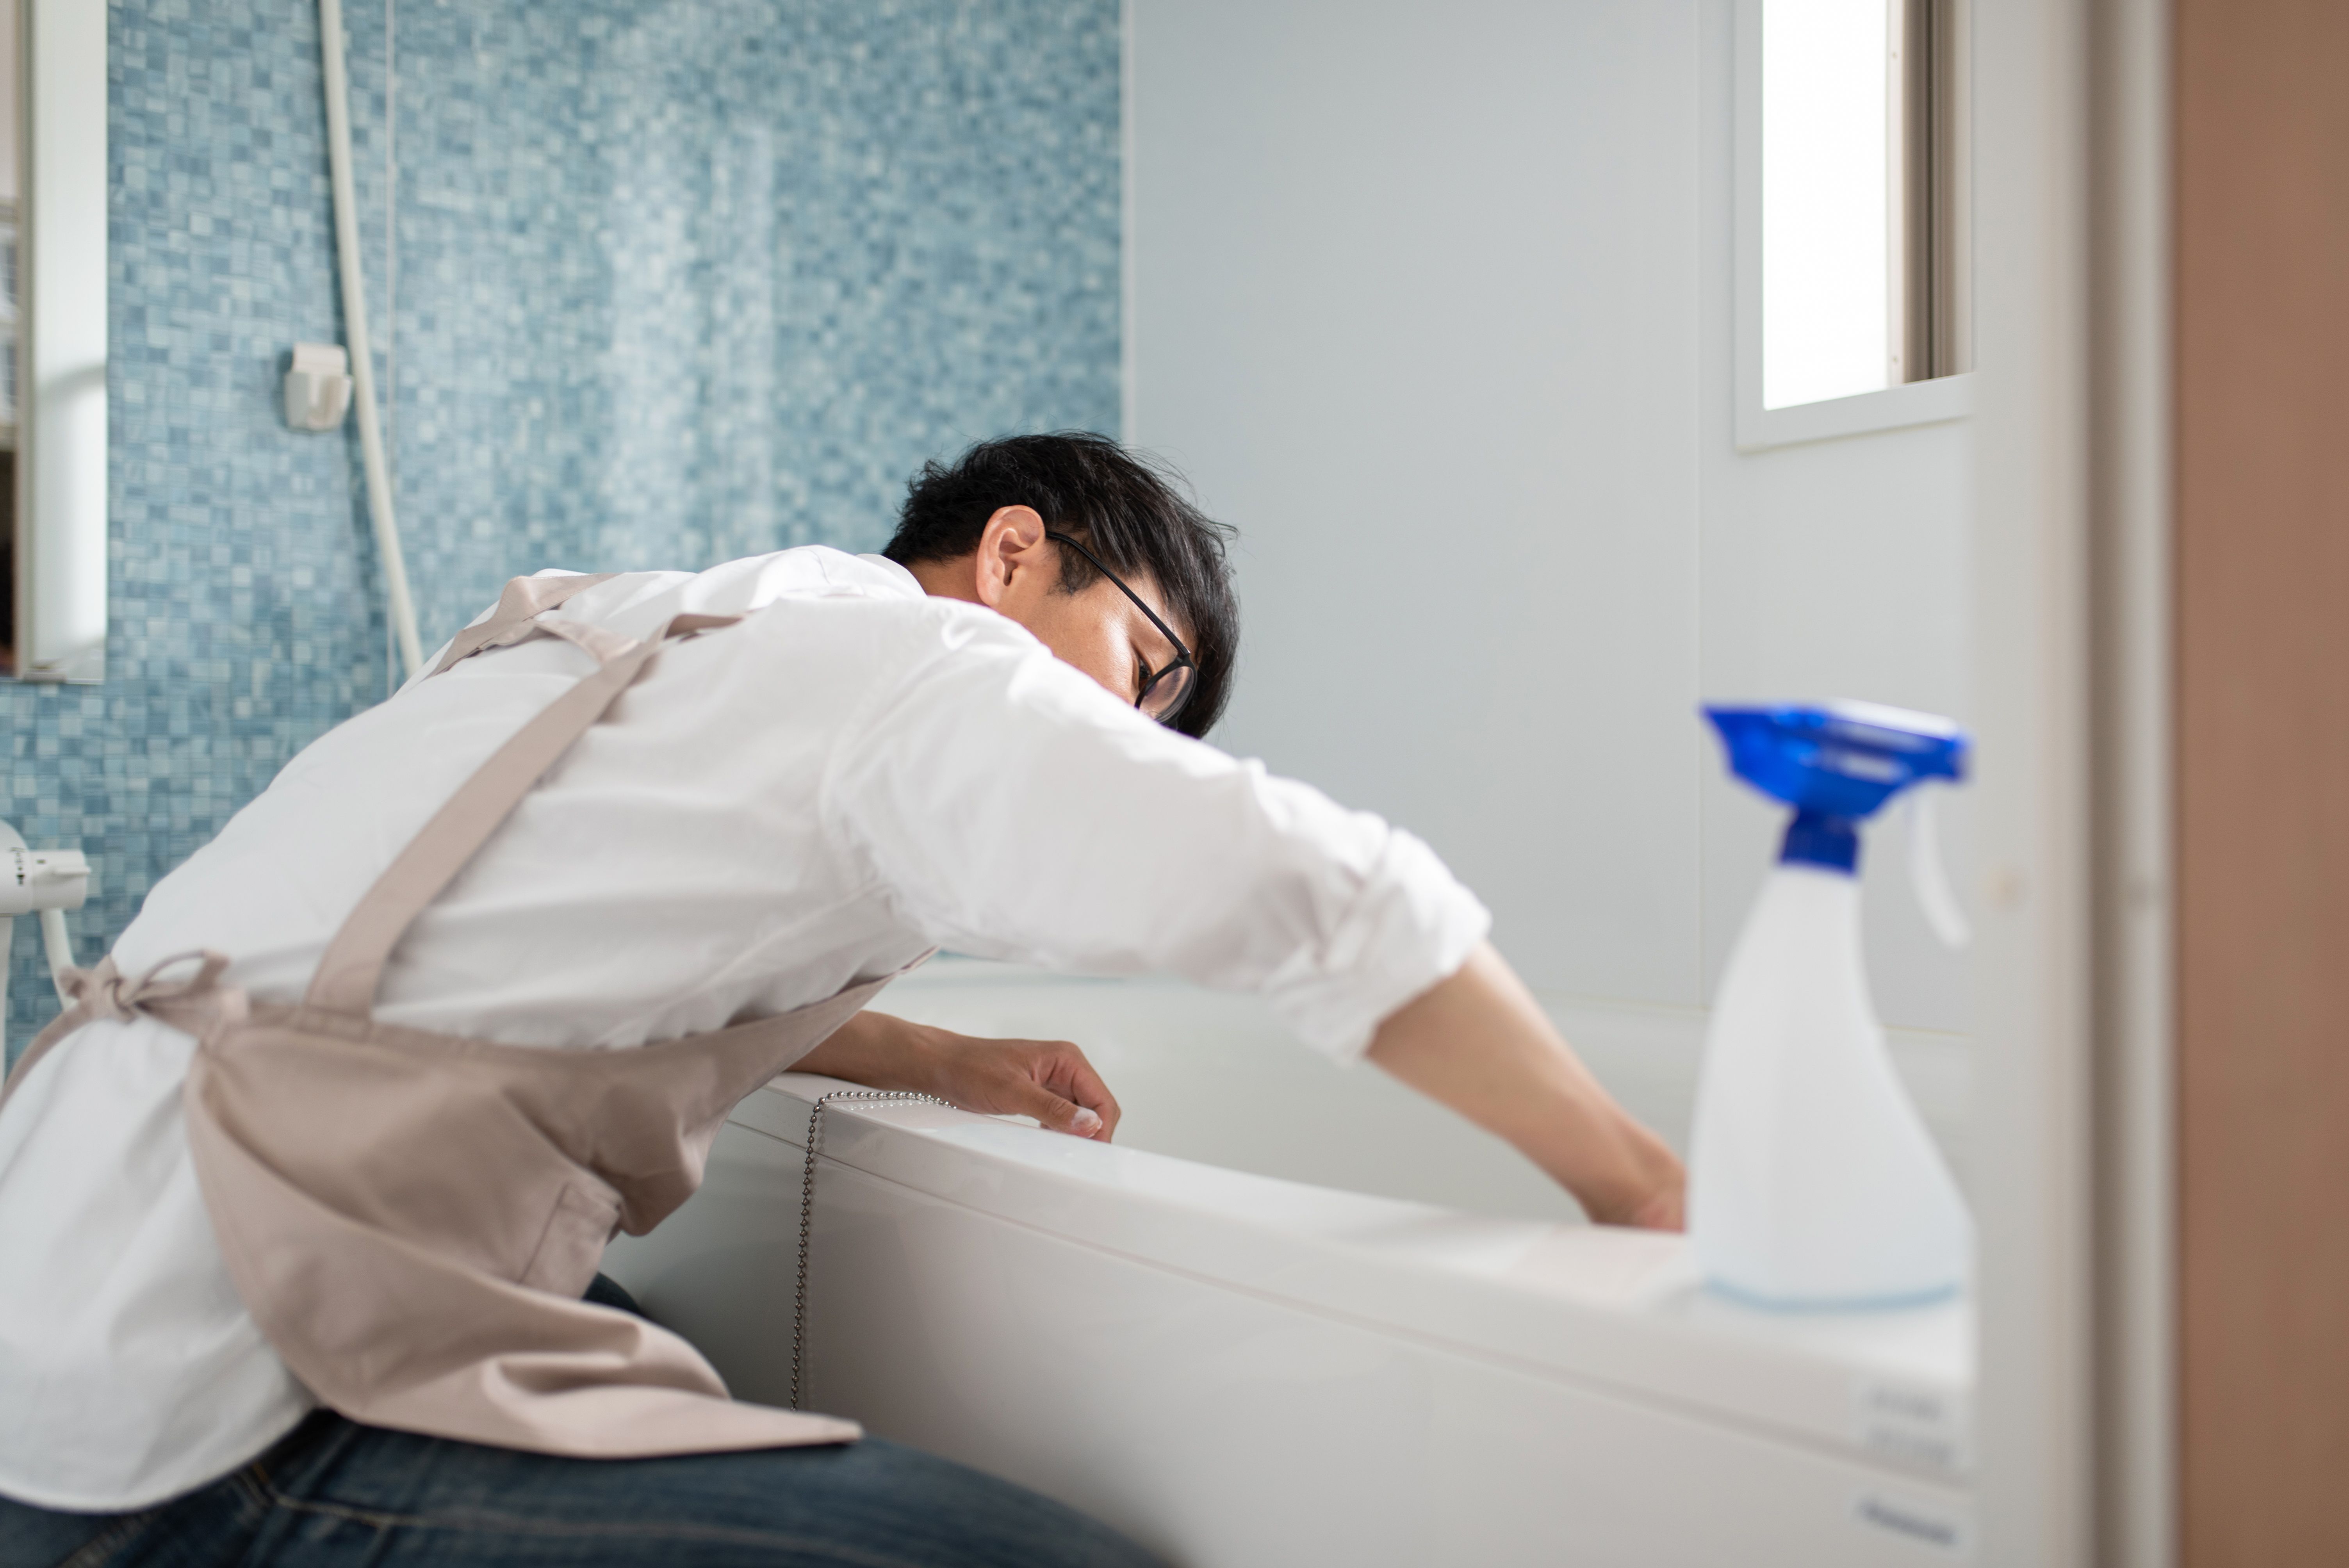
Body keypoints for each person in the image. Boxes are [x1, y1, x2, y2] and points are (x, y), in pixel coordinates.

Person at [0, 433, 1683, 1567]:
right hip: (201, 1417)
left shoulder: (665, 626)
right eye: (1148, 672)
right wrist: (1634, 1181)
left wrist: (941, 1055)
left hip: (67, 1305)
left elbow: (574, 964)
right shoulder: (921, 672)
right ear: (1016, 553)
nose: (1149, 736)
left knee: (699, 1372)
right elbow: (1307, 888)